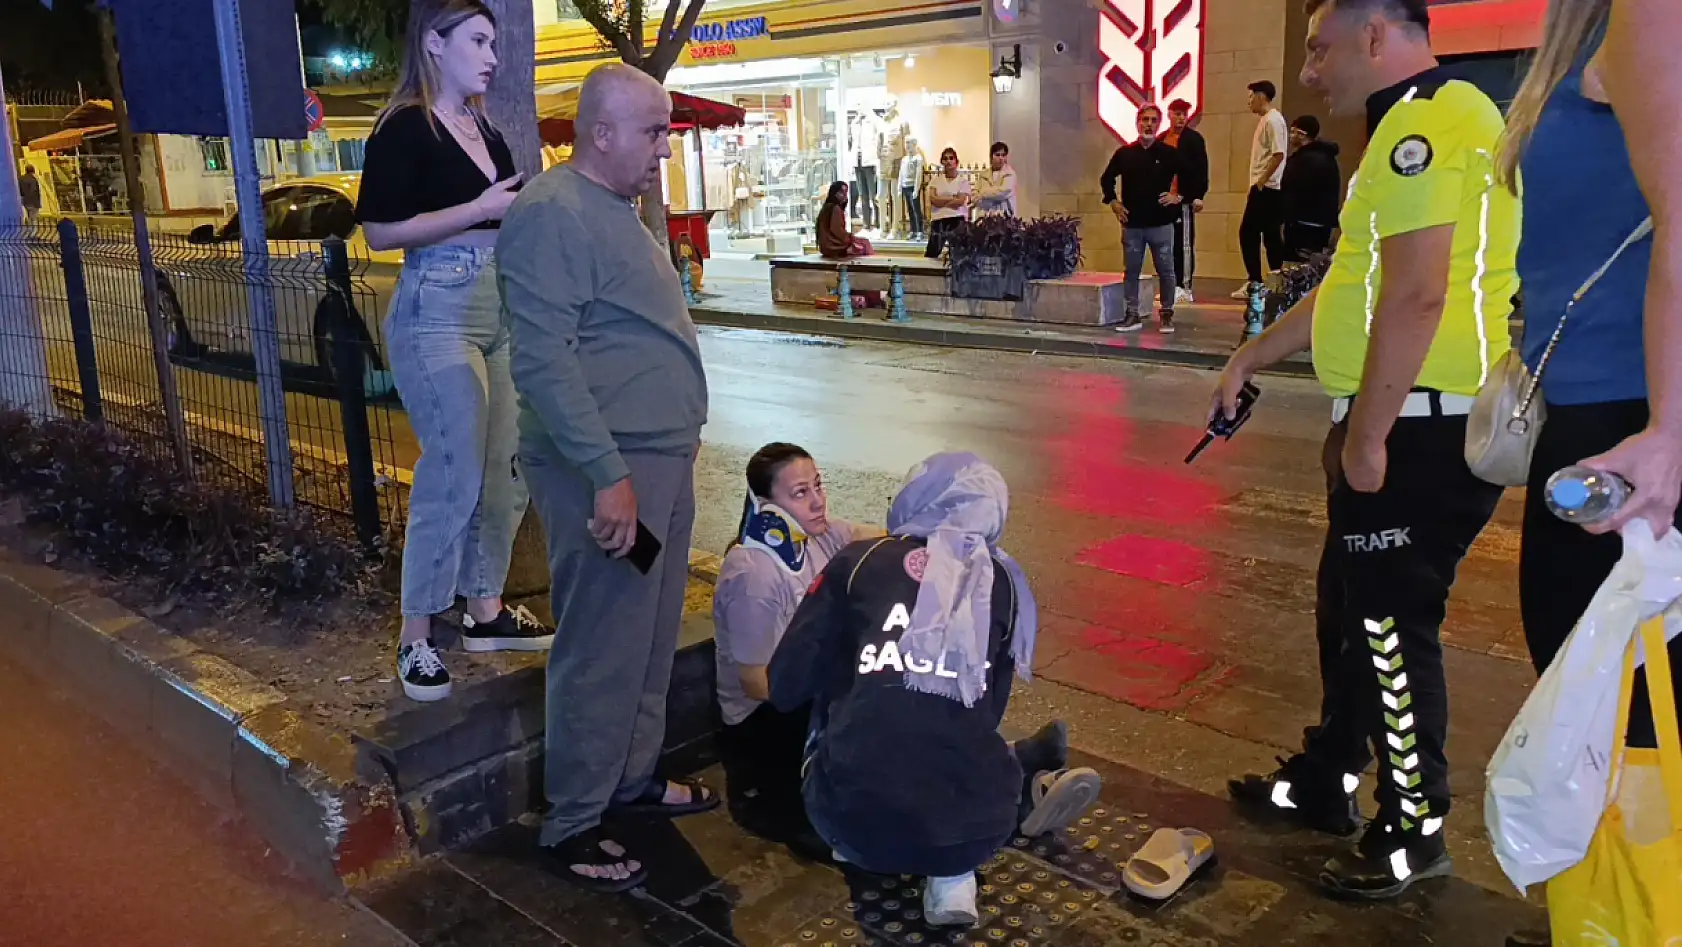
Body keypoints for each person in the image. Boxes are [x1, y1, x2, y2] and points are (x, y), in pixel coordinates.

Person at [1213, 0, 1519, 900]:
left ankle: (1414, 826)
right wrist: (1248, 355)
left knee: (1388, 625)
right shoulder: (1403, 131)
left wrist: (1370, 436)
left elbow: (1420, 295)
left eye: (1320, 47)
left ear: (1375, 36)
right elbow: (1357, 284)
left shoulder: (1433, 120)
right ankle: (1329, 776)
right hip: (1404, 415)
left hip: (1421, 424)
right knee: (1348, 607)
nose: (1312, 70)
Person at [500, 63, 714, 891]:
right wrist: (608, 473)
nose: (665, 146)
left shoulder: (612, 210)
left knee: (650, 635)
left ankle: (630, 777)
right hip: (609, 471)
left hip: (651, 460)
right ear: (602, 133)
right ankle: (574, 819)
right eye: (654, 131)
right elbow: (545, 363)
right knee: (602, 643)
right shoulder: (552, 214)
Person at [1497, 2, 1678, 944]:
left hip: (1631, 434)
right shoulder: (1595, 30)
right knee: (1620, 736)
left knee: (1620, 737)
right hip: (1608, 419)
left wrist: (1671, 431)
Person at [769, 453, 1099, 927]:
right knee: (957, 722)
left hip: (849, 822)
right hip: (975, 832)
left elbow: (785, 686)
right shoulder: (1002, 580)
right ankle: (954, 878)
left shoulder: (857, 562)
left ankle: (860, 843)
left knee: (844, 689)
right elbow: (987, 709)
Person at [354, 0, 554, 704]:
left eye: (494, 42)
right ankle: (415, 633)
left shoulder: (486, 129)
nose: (492, 55)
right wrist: (478, 210)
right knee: (455, 466)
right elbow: (380, 231)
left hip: (498, 302)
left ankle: (486, 608)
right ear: (433, 45)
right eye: (477, 41)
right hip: (436, 307)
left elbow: (506, 215)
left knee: (507, 462)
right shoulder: (405, 128)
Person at [713, 443, 868, 844]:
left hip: (806, 691)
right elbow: (756, 685)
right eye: (800, 493)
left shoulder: (818, 536)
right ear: (766, 506)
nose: (818, 502)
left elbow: (879, 538)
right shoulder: (755, 576)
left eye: (818, 485)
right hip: (765, 716)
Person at [1100, 103, 1181, 334]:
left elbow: (1194, 175)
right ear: (1137, 122)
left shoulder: (1169, 154)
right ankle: (1132, 314)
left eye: (1154, 120)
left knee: (1166, 270)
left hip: (1162, 224)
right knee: (1132, 271)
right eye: (1145, 119)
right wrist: (1113, 202)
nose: (1149, 124)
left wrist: (1178, 196)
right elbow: (1106, 179)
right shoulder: (1124, 154)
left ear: (1159, 124)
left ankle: (1166, 313)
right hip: (1133, 225)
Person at [1233, 80, 1290, 298]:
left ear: (1261, 96)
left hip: (1266, 188)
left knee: (1248, 233)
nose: (1248, 102)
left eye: (1251, 97)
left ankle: (1255, 282)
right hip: (1267, 187)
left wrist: (1262, 179)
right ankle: (1275, 279)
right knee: (1270, 234)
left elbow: (1279, 153)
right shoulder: (1268, 120)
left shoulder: (1273, 120)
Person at [1163, 100, 1209, 305]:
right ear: (1169, 114)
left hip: (1183, 200)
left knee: (1184, 244)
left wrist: (1197, 195)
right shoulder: (1162, 139)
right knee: (1167, 245)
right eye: (1177, 113)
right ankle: (1171, 285)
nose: (1181, 118)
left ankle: (1185, 286)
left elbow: (1201, 169)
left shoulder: (1194, 140)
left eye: (1184, 114)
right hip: (1165, 201)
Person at [1281, 115, 1343, 261]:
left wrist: (1285, 214)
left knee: (1297, 267)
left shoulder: (1303, 160)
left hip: (1302, 223)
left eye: (1293, 131)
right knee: (1314, 266)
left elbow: (1293, 189)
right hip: (1322, 223)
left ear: (1302, 135)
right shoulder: (1327, 157)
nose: (1290, 136)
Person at [924, 147, 972, 259]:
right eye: (945, 158)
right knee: (932, 252)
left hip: (957, 218)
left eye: (951, 158)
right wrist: (952, 197)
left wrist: (942, 199)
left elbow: (960, 202)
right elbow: (933, 200)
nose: (948, 161)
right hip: (938, 219)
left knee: (958, 253)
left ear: (956, 161)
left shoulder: (962, 181)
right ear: (942, 162)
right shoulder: (935, 180)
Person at [816, 181, 874, 259]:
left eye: (846, 192)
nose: (844, 195)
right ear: (834, 193)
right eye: (841, 192)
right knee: (865, 244)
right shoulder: (835, 208)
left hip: (826, 247)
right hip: (833, 247)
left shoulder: (827, 207)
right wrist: (851, 238)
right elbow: (837, 230)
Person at [975, 141, 1018, 218]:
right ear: (991, 157)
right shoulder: (983, 175)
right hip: (985, 215)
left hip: (1005, 216)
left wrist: (983, 193)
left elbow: (1002, 192)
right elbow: (974, 194)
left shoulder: (1010, 174)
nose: (1001, 158)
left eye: (1003, 155)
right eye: (997, 155)